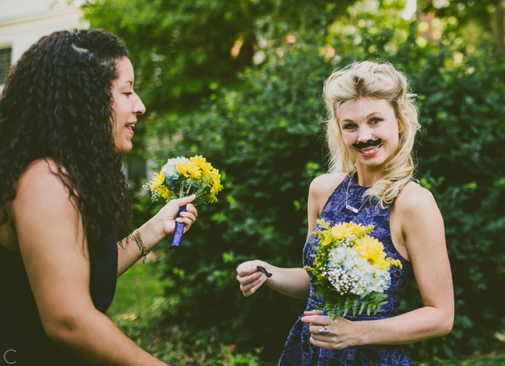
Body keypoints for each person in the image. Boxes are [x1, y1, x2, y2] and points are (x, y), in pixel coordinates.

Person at [0, 29, 198, 365]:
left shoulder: (62, 173)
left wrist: (153, 229)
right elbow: (69, 320)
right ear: (87, 97)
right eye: (127, 92)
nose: (140, 105)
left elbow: (79, 274)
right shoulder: (45, 180)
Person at [236, 61, 454, 365]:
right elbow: (315, 280)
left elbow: (441, 316)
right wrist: (266, 272)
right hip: (310, 352)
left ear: (400, 121)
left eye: (375, 120)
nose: (364, 136)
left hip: (371, 357)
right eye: (350, 126)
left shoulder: (413, 203)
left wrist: (357, 333)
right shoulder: (322, 190)